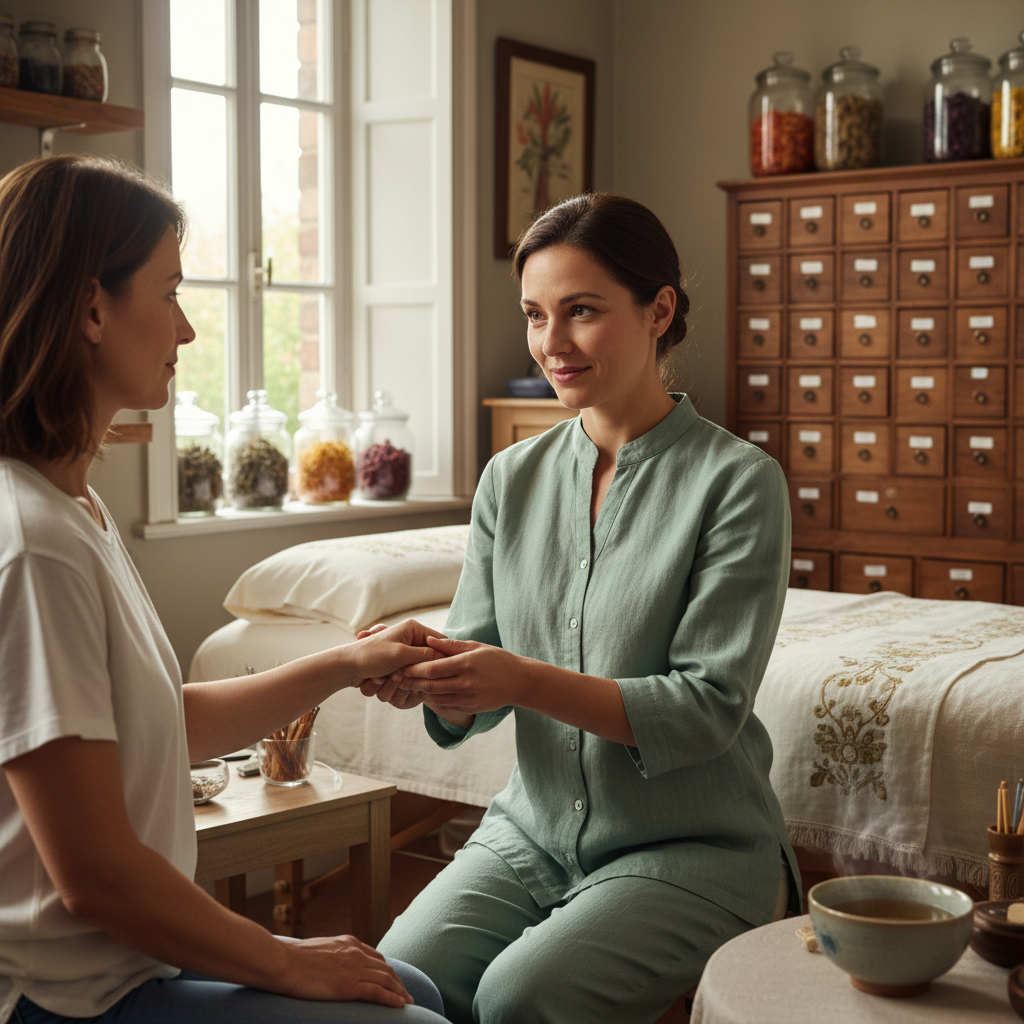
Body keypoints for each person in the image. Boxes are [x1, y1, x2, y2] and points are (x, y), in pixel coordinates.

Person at [0, 154, 449, 1024]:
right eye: (170, 294)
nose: (187, 332)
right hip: (59, 999)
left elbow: (155, 722)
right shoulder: (33, 543)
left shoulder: (75, 508)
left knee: (413, 991)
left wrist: (345, 663)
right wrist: (286, 959)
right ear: (92, 308)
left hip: (120, 970)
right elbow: (94, 877)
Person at [361, 193, 801, 1024]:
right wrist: (431, 678)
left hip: (693, 846)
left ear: (658, 311)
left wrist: (518, 678)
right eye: (535, 315)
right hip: (529, 834)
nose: (550, 344)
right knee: (394, 985)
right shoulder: (510, 478)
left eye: (582, 312)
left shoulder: (740, 483)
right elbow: (481, 673)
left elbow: (706, 708)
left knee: (517, 999)